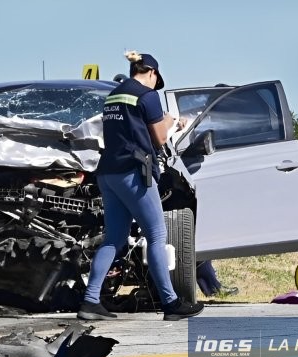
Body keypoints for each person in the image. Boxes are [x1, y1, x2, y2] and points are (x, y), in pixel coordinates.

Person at [77, 51, 204, 321]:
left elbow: (127, 131)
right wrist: (171, 121)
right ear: (152, 74)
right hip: (133, 173)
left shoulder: (113, 95)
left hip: (107, 172)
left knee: (114, 239)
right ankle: (171, 304)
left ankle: (90, 302)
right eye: (156, 79)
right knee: (157, 235)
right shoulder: (148, 95)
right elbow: (158, 138)